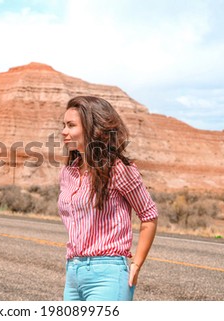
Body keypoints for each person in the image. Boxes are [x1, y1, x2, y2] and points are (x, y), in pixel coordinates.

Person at [58, 96, 158, 301]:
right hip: (73, 272)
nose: (64, 131)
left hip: (108, 274)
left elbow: (149, 215)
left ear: (91, 127)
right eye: (63, 125)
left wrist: (136, 265)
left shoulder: (118, 168)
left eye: (71, 125)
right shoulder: (68, 172)